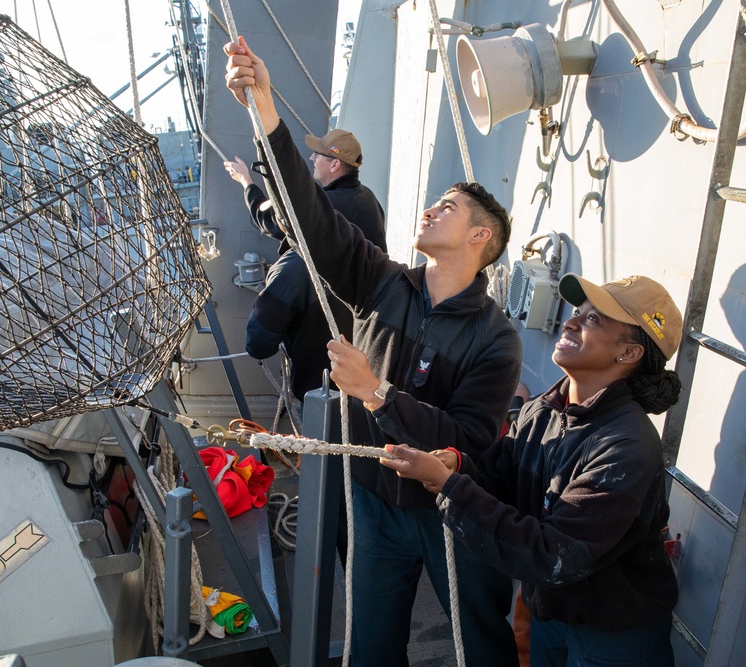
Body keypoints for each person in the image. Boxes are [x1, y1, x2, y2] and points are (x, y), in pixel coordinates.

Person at [225, 37, 523, 666]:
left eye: (447, 207)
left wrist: (376, 392)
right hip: (373, 501)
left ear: (480, 237)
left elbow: (469, 436)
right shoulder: (381, 283)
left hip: (450, 511)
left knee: (481, 645)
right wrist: (264, 109)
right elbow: (310, 219)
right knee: (370, 645)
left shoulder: (496, 339)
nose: (428, 209)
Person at [381, 273, 683, 667]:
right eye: (578, 311)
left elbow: (553, 555)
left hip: (613, 639)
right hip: (552, 617)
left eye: (594, 320)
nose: (571, 321)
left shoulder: (627, 447)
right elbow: (498, 478)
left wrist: (449, 486)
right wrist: (457, 465)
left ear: (628, 353)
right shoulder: (545, 408)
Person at [223, 128, 387, 402]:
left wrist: (247, 184)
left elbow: (272, 222)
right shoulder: (368, 200)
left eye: (319, 155)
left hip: (320, 370)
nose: (311, 158)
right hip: (363, 353)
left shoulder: (304, 245)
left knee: (320, 427)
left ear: (335, 164)